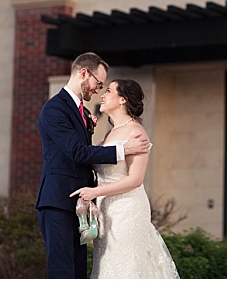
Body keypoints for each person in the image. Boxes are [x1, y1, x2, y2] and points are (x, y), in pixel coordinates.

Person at [35, 53, 151, 279]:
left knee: (78, 272)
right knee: (62, 272)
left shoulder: (82, 111)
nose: (98, 89)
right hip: (58, 202)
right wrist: (122, 150)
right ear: (83, 73)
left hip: (80, 206)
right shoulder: (55, 109)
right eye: (98, 83)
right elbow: (77, 152)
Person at [70, 79, 179, 279]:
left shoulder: (136, 133)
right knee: (107, 267)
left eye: (109, 91)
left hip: (128, 210)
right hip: (106, 211)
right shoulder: (111, 132)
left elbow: (135, 180)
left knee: (125, 267)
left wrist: (95, 192)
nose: (103, 94)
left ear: (122, 100)